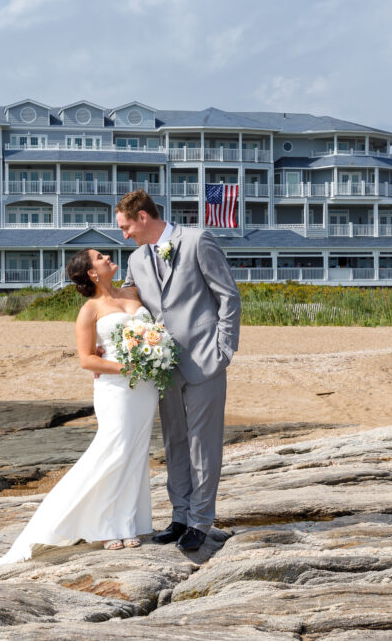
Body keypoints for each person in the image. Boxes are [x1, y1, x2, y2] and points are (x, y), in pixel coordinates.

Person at [0, 248, 158, 575]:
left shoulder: (133, 292)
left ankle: (129, 523)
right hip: (117, 388)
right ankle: (103, 525)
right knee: (114, 450)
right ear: (92, 273)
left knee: (136, 453)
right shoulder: (89, 310)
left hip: (146, 387)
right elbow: (87, 359)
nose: (108, 257)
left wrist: (156, 352)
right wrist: (126, 366)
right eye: (100, 257)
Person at [115, 189, 240, 552]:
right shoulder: (137, 259)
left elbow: (228, 296)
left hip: (205, 360)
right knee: (175, 443)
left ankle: (201, 521)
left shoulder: (199, 240)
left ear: (142, 217)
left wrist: (224, 349)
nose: (124, 235)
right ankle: (180, 515)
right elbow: (127, 301)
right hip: (164, 365)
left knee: (204, 444)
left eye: (125, 227)